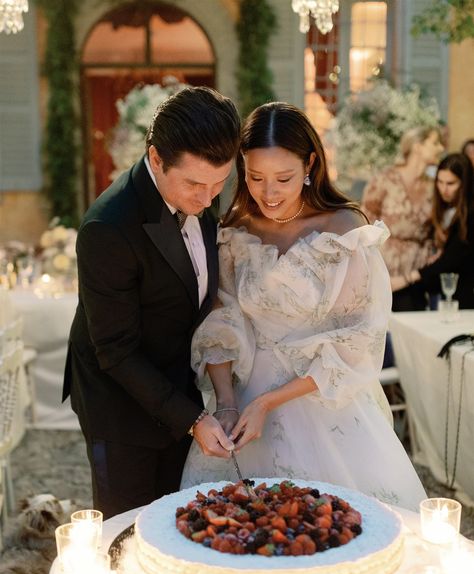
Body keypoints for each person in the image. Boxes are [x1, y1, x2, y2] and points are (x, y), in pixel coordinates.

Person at [181, 102, 426, 511]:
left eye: (283, 178)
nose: (268, 192)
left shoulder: (345, 231)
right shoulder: (236, 229)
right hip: (244, 396)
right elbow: (221, 321)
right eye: (255, 177)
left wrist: (267, 403)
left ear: (310, 163)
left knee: (337, 524)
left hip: (321, 397)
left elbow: (359, 340)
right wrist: (227, 403)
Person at [62, 87, 240, 519]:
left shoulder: (201, 196)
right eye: (196, 184)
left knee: (175, 522)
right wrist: (195, 419)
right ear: (156, 158)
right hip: (119, 406)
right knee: (128, 533)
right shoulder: (108, 228)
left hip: (173, 390)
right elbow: (117, 351)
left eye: (219, 183)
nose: (207, 199)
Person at [362, 125, 444, 311]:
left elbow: (438, 230)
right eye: (435, 142)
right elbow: (364, 224)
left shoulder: (434, 186)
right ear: (417, 146)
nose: (441, 148)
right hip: (383, 271)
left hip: (416, 275)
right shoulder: (384, 180)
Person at [391, 153, 474, 308]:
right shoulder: (446, 209)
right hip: (444, 290)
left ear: (464, 183)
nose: (444, 189)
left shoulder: (470, 213)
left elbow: (453, 258)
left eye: (451, 183)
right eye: (440, 182)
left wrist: (407, 278)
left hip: (465, 296)